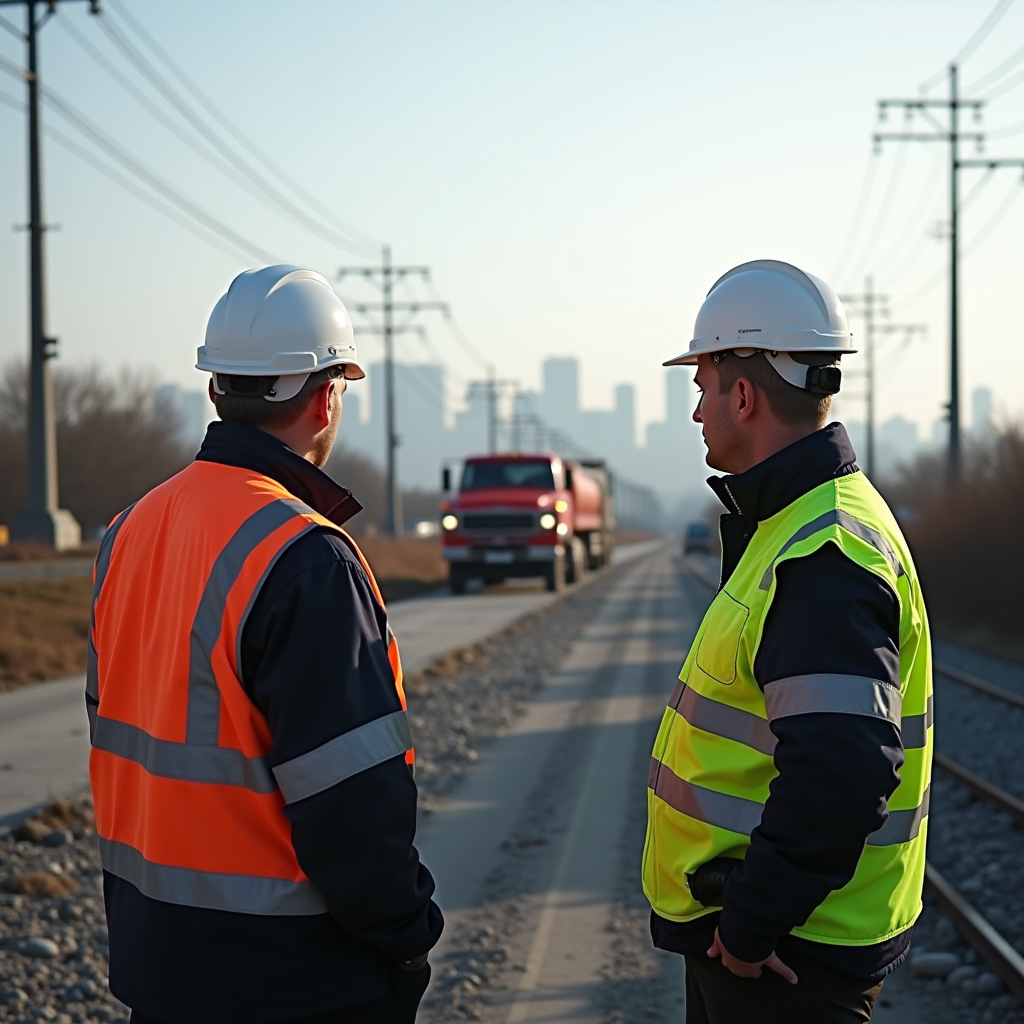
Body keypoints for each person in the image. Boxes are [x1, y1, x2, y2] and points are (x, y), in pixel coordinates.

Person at [87, 265, 443, 1024]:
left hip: (156, 961)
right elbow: (350, 799)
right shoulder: (305, 556)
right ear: (326, 398)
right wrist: (406, 935)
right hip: (293, 978)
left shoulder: (128, 531)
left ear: (216, 389)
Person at [643, 260, 932, 1024]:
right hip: (777, 942)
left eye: (702, 388)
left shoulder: (822, 551)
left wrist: (751, 923)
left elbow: (844, 769)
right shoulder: (798, 523)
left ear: (743, 396)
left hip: (787, 956)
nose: (697, 412)